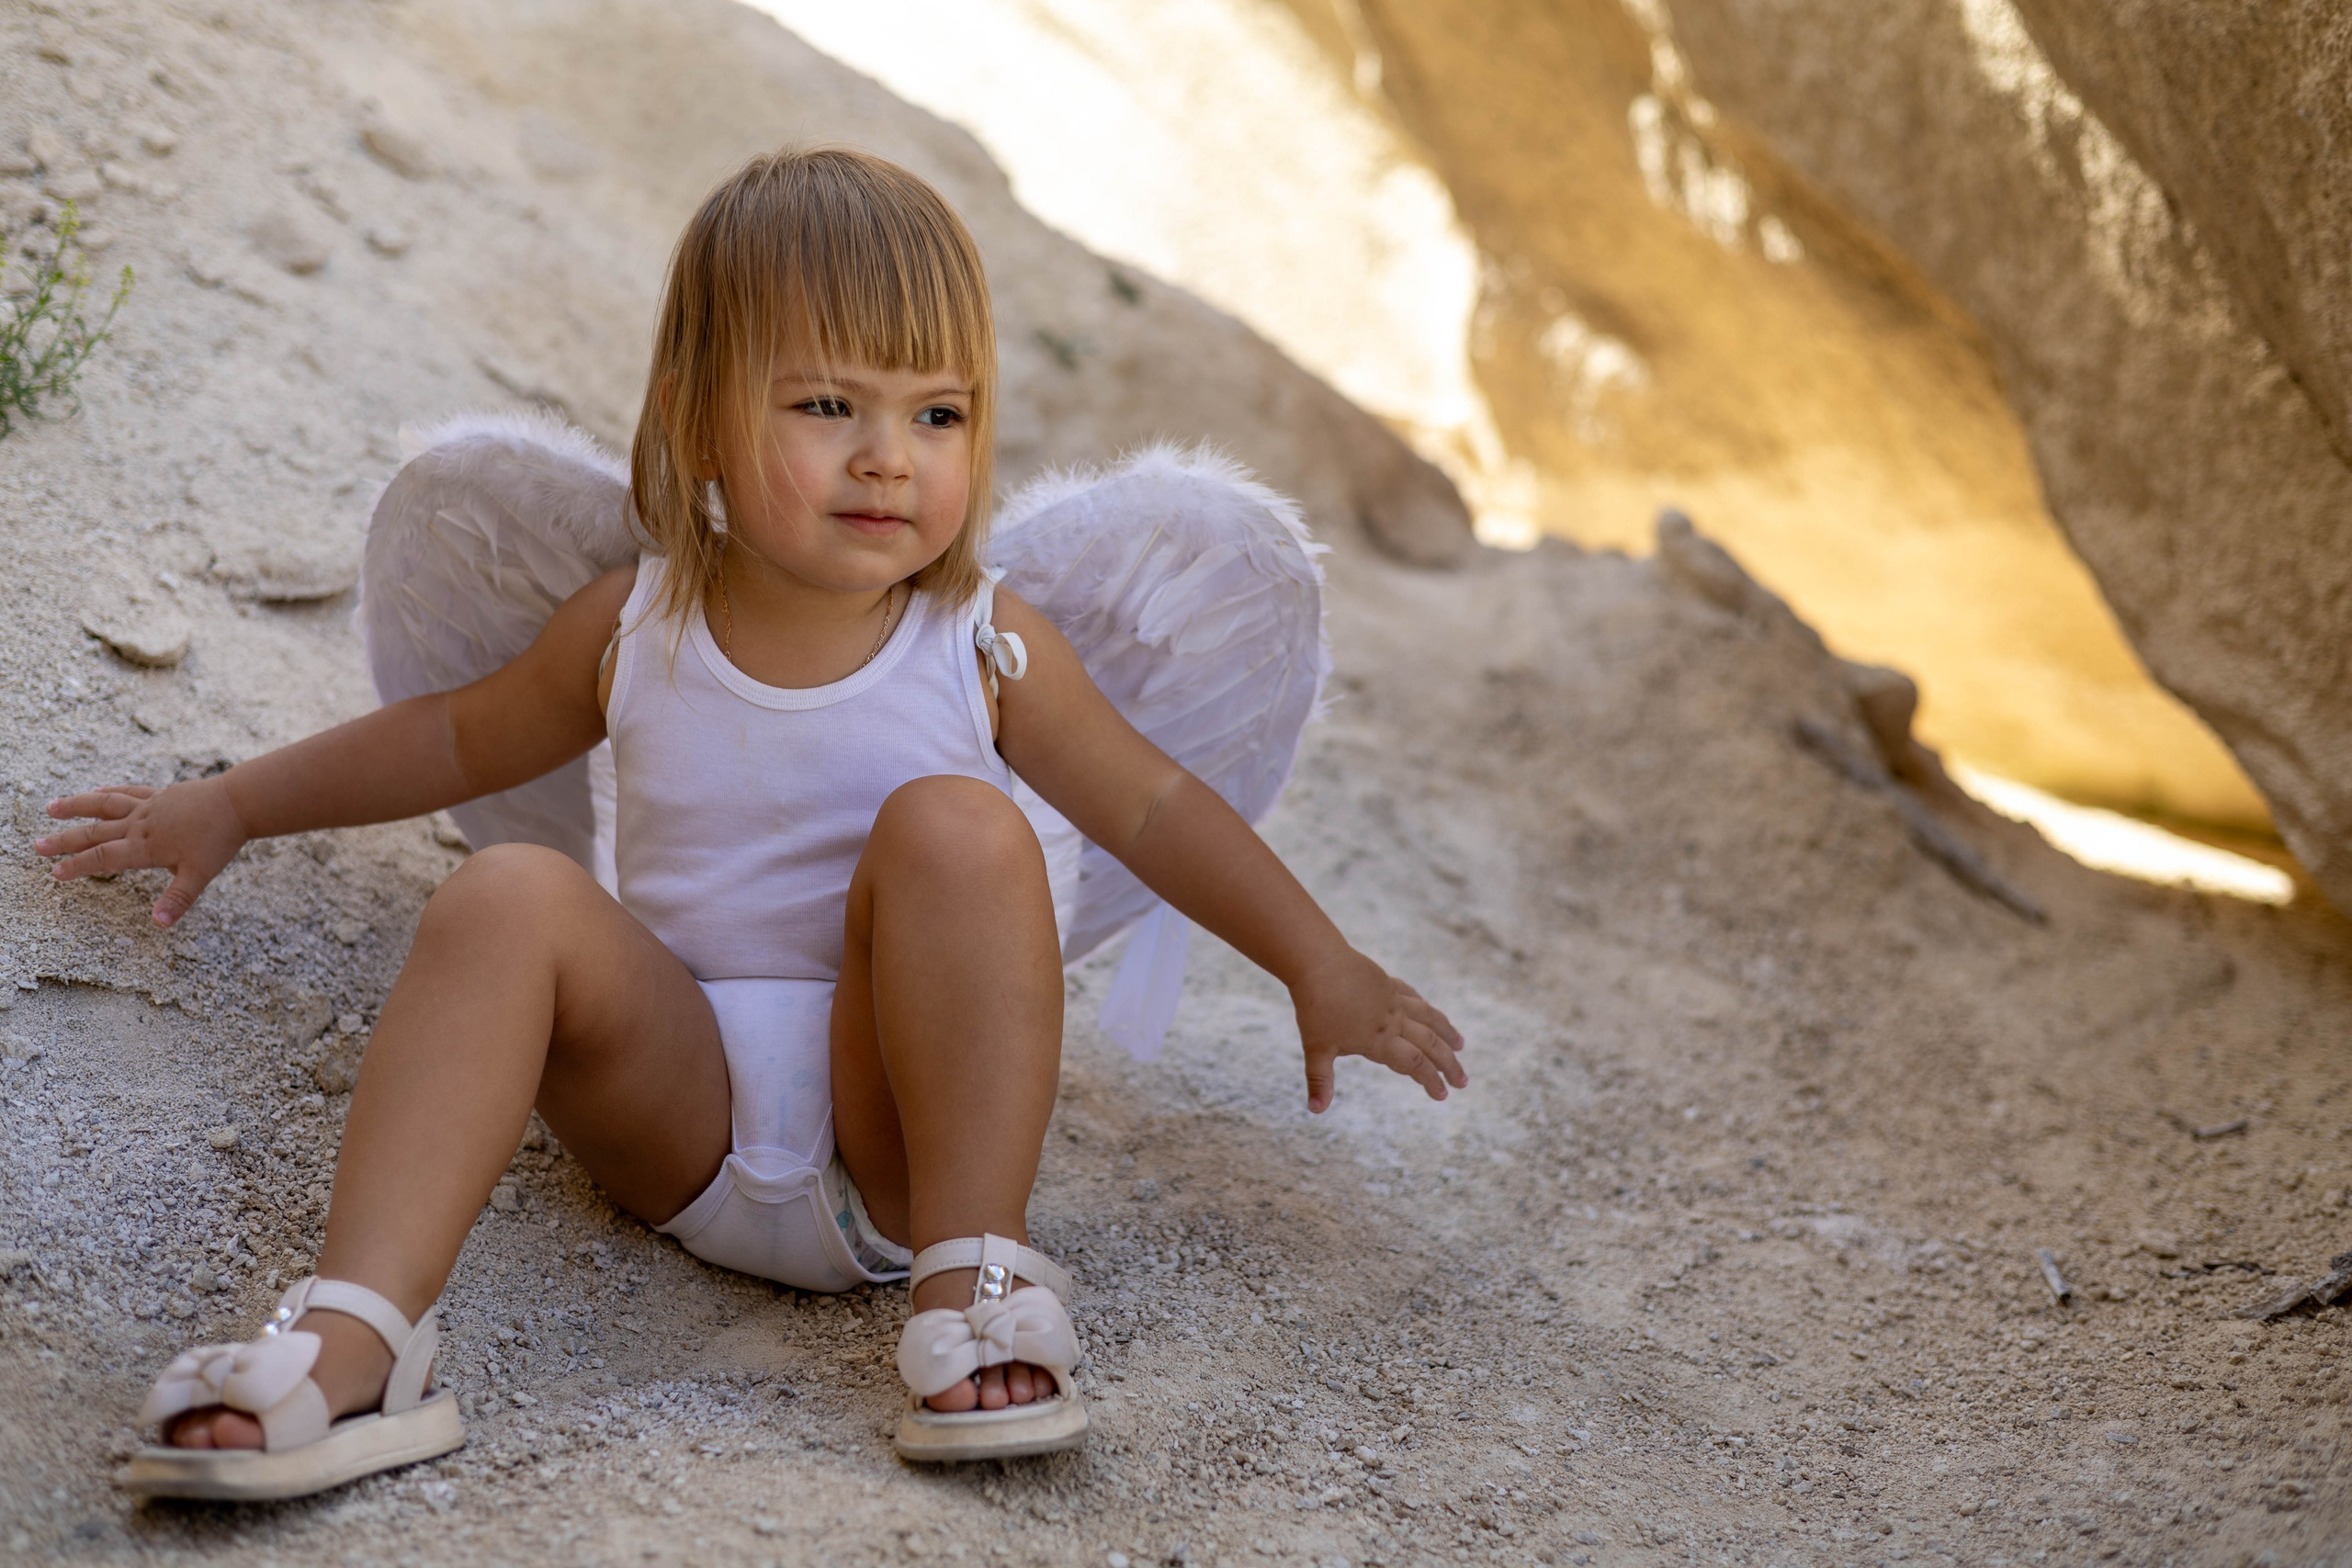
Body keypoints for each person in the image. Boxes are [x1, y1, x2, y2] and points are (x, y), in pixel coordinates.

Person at [39, 146, 1464, 1496]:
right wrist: (232, 803)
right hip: (678, 1117)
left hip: (892, 1141)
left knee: (961, 829)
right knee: (509, 895)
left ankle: (983, 1278)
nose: (888, 458)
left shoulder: (980, 640)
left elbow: (1153, 804)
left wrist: (1314, 959)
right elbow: (456, 736)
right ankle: (361, 1329)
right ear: (701, 415)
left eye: (938, 413)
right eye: (828, 406)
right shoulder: (636, 623)